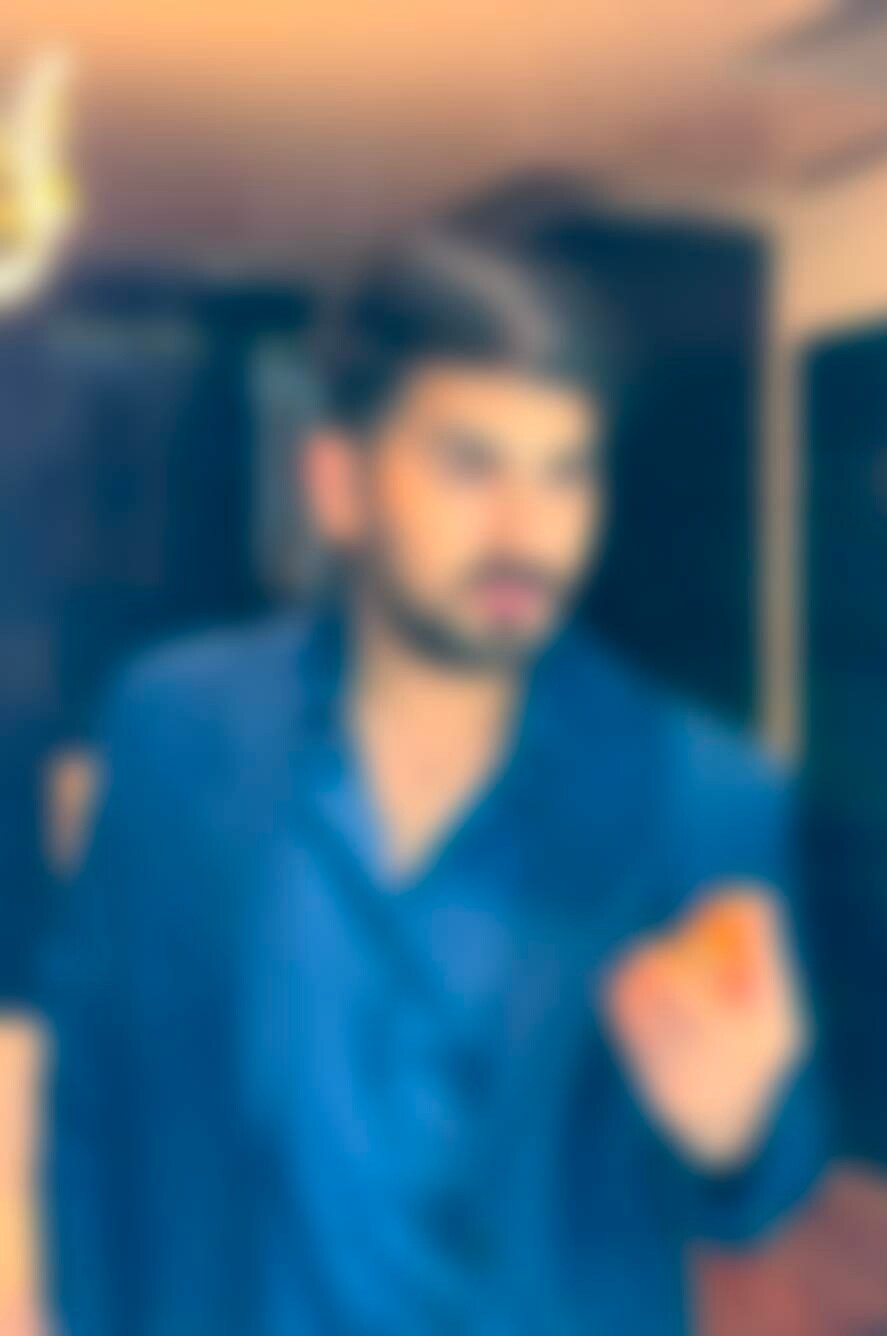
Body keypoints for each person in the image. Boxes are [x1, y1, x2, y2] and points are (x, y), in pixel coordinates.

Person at [45, 231, 825, 1336]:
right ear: (339, 484)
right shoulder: (175, 729)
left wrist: (736, 1129)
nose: (525, 532)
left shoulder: (695, 792)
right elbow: (95, 1092)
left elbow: (765, 1178)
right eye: (470, 466)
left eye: (564, 474)